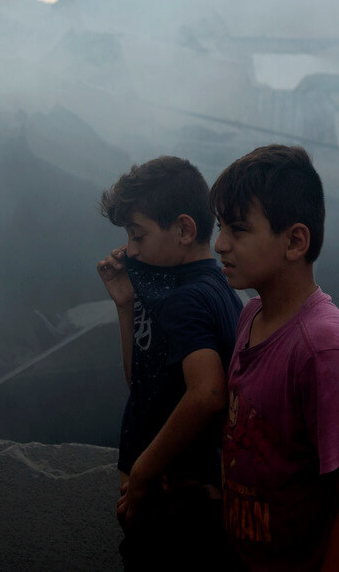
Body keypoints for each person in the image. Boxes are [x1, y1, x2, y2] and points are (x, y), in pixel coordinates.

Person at [210, 145, 339, 571]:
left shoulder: (322, 349)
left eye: (238, 229)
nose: (219, 244)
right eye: (220, 226)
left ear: (294, 241)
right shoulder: (250, 316)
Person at [96, 156, 245, 570]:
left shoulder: (187, 301)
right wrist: (126, 306)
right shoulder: (202, 289)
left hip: (177, 514)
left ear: (183, 229)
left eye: (138, 234)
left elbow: (209, 394)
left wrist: (143, 473)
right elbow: (142, 384)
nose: (130, 249)